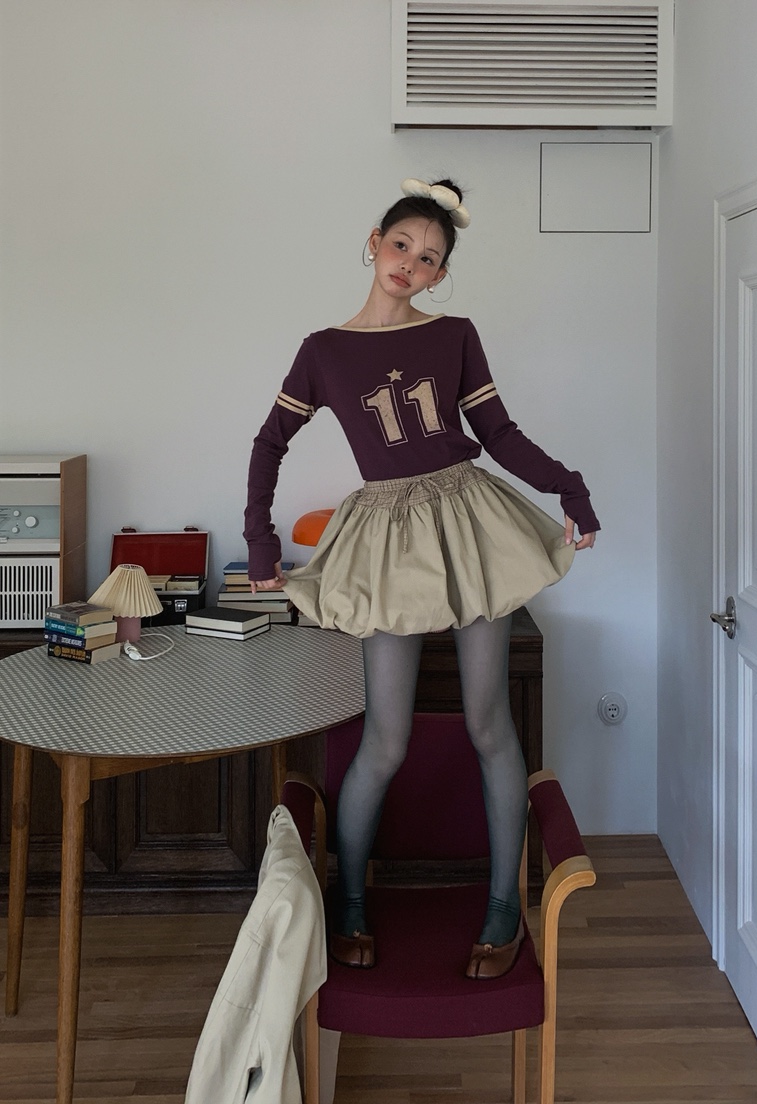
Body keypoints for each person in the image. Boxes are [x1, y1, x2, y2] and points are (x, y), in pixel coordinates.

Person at [244, 177, 599, 979]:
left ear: (441, 275)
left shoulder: (455, 336)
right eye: (402, 244)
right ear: (375, 243)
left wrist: (570, 488)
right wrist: (260, 543)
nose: (411, 262)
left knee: (488, 722)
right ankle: (350, 900)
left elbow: (499, 433)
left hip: (469, 522)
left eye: (430, 257)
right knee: (386, 737)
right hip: (388, 533)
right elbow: (269, 443)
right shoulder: (323, 351)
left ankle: (503, 906)